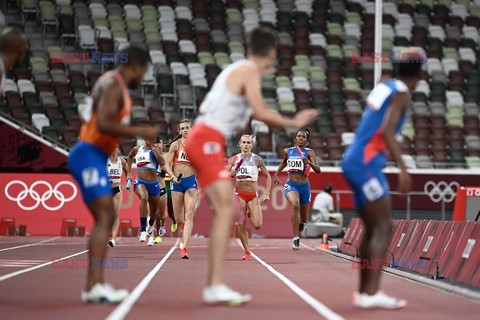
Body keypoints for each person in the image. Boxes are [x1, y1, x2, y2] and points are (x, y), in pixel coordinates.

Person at [184, 26, 319, 305]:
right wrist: (294, 122)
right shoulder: (248, 72)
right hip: (206, 139)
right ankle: (214, 285)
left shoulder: (243, 70)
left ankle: (215, 284)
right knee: (226, 211)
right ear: (272, 53)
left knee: (227, 212)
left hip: (206, 139)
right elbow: (261, 113)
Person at [67, 45, 159, 303]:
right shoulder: (115, 85)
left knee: (105, 216)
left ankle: (95, 284)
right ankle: (93, 285)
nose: (143, 77)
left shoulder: (109, 82)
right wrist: (142, 131)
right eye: (144, 72)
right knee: (106, 214)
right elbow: (104, 123)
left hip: (92, 155)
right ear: (136, 67)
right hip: (89, 155)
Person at [341, 48, 424, 309]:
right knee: (383, 226)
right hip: (366, 165)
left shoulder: (385, 85)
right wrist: (403, 167)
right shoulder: (402, 94)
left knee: (374, 227)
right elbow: (387, 130)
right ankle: (372, 292)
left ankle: (366, 292)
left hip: (355, 160)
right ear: (421, 73)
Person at [273, 128, 321, 250]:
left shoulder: (309, 152)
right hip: (291, 184)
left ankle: (302, 223)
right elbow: (284, 162)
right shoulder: (288, 151)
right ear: (295, 138)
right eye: (298, 136)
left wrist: (309, 162)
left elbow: (318, 170)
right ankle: (296, 238)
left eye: (303, 137)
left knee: (304, 218)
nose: (300, 138)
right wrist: (277, 174)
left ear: (307, 140)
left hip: (304, 187)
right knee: (295, 205)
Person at [227, 134, 271, 260]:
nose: (246, 145)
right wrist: (230, 172)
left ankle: (250, 212)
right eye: (244, 142)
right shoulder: (234, 159)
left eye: (248, 143)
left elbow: (267, 176)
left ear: (252, 145)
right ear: (239, 144)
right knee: (241, 225)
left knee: (257, 225)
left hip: (252, 195)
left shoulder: (257, 159)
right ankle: (247, 251)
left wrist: (267, 193)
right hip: (239, 194)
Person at [127, 137, 177, 246]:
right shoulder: (138, 149)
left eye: (158, 142)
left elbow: (164, 164)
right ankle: (146, 233)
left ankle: (159, 226)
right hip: (142, 182)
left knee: (159, 214)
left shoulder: (160, 153)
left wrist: (172, 175)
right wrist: (128, 173)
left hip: (159, 186)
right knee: (145, 202)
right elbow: (130, 156)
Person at [165, 119, 199, 259]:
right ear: (179, 131)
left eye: (187, 127)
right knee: (179, 219)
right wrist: (172, 176)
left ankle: (184, 247)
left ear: (191, 129)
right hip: (177, 183)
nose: (185, 130)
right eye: (182, 128)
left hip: (191, 182)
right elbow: (166, 164)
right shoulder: (175, 145)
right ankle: (175, 222)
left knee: (189, 214)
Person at [107, 147, 131, 247]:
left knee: (115, 214)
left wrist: (128, 177)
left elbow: (127, 172)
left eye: (115, 147)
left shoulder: (122, 162)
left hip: (117, 189)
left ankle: (113, 239)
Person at [154, 137, 168, 241]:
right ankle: (153, 234)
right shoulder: (149, 156)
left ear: (162, 145)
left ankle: (162, 226)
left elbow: (166, 168)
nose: (158, 145)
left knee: (162, 214)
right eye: (156, 143)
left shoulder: (165, 157)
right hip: (151, 187)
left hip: (162, 186)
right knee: (153, 212)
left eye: (160, 143)